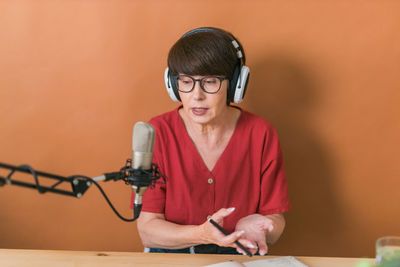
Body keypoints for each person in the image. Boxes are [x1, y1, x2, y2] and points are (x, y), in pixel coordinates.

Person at [136, 27, 291, 255]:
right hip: (171, 257)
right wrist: (202, 234)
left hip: (238, 255)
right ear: (172, 84)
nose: (196, 95)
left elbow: (275, 220)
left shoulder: (261, 133)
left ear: (236, 84)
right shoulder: (158, 132)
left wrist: (260, 229)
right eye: (186, 82)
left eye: (210, 82)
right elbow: (148, 230)